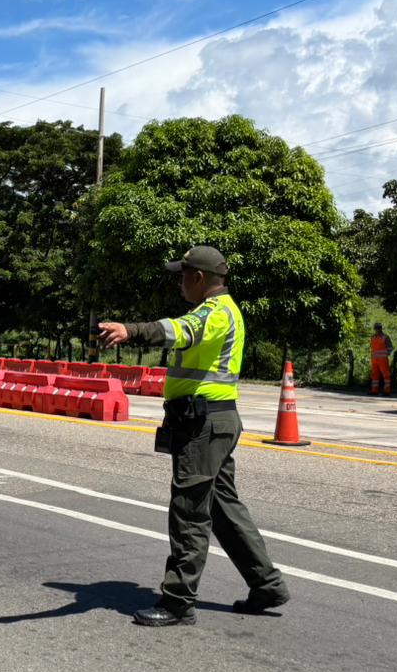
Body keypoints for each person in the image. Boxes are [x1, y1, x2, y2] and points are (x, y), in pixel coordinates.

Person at [98, 245, 289, 627]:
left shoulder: (215, 313)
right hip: (209, 422)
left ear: (198, 278)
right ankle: (266, 584)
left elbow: (178, 331)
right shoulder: (219, 310)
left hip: (203, 425)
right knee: (222, 508)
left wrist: (131, 330)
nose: (180, 283)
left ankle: (178, 601)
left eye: (183, 275)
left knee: (189, 512)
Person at [370, 322, 395, 396]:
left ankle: (387, 391)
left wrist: (387, 354)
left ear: (381, 329)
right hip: (375, 359)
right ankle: (374, 390)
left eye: (378, 328)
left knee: (386, 375)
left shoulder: (385, 337)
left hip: (383, 359)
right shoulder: (373, 337)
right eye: (376, 328)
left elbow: (390, 348)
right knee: (374, 375)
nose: (377, 330)